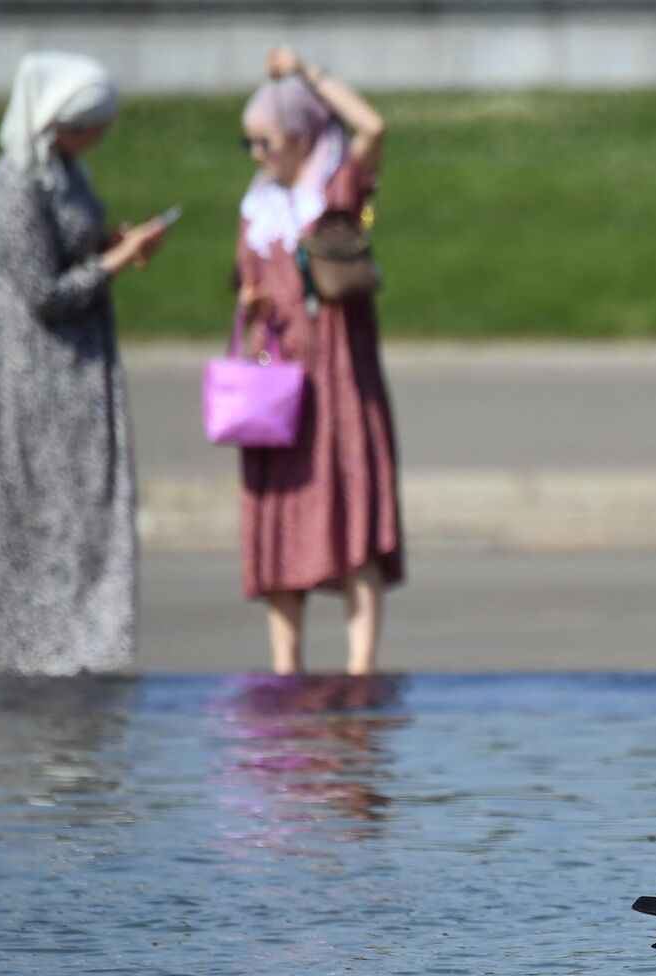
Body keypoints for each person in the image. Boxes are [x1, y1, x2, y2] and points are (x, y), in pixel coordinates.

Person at [0, 52, 170, 675]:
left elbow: (71, 244)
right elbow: (44, 294)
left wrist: (109, 245)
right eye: (90, 125)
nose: (99, 138)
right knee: (37, 509)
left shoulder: (65, 170)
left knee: (86, 506)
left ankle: (88, 649)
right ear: (58, 121)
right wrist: (115, 260)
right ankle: (35, 654)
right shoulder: (14, 182)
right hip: (32, 368)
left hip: (81, 366)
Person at [235, 45, 404, 676]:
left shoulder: (338, 187)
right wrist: (251, 306)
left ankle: (362, 669)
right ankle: (286, 669)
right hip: (278, 382)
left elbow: (373, 127)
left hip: (337, 374)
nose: (257, 155)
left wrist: (307, 74)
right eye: (248, 143)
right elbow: (248, 282)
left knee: (350, 504)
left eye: (267, 141)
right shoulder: (256, 208)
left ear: (303, 137)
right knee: (283, 517)